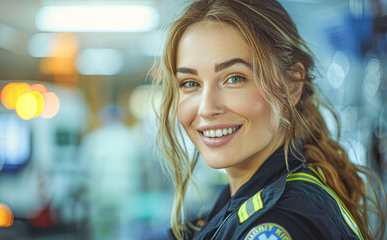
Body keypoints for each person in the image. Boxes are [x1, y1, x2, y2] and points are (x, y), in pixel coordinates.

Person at [151, 0, 387, 239]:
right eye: (190, 83)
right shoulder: (239, 201)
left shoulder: (277, 224)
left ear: (293, 85)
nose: (206, 108)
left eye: (234, 78)